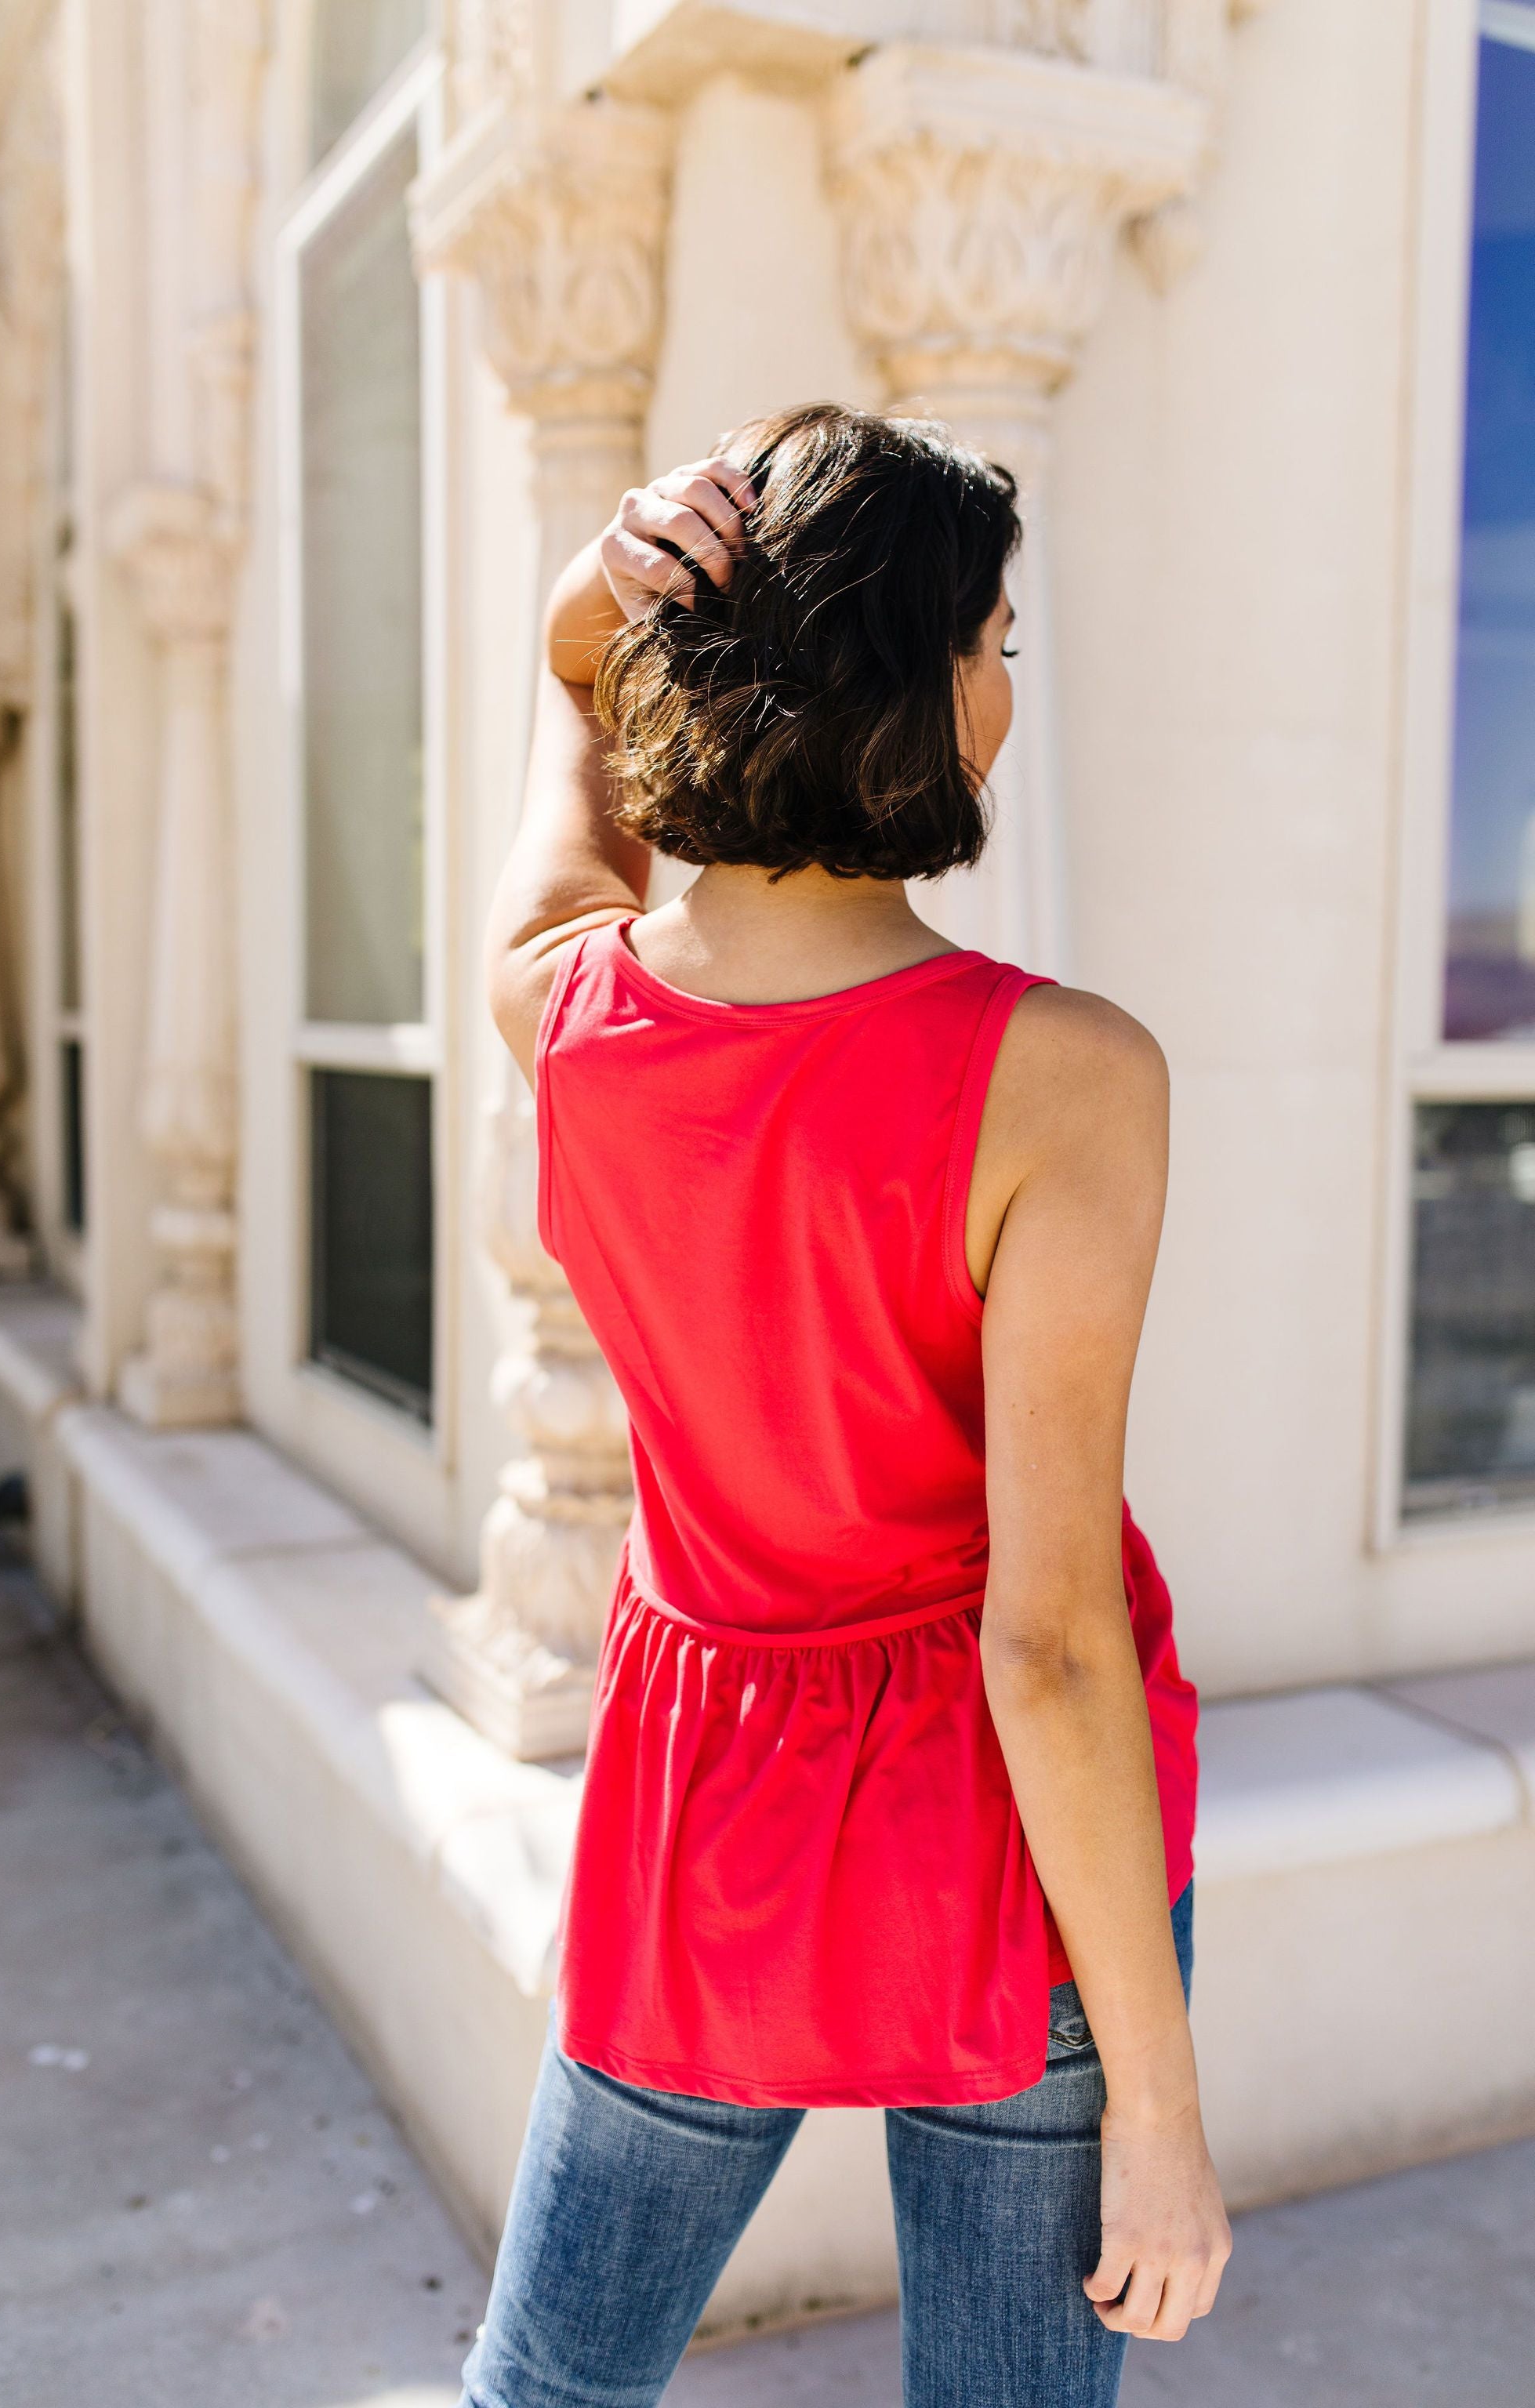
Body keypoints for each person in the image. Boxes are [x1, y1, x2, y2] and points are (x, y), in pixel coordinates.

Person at [465, 402, 1229, 2408]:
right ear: (909, 680)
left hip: (696, 1797)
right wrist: (1161, 2116)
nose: (1003, 687)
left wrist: (602, 585)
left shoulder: (562, 1006)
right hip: (995, 1843)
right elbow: (1047, 1642)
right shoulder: (1064, 1079)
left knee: (546, 2390)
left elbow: (571, 707)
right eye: (988, 641)